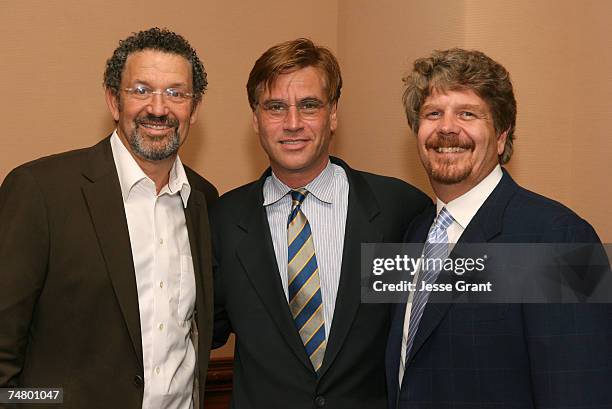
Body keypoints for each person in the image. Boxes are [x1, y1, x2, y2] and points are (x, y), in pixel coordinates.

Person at [0, 27, 217, 409]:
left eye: (176, 93)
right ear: (114, 101)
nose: (158, 107)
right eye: (141, 90)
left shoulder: (204, 200)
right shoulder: (41, 191)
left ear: (194, 109)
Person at [211, 38, 430, 409]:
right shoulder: (222, 220)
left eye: (309, 105)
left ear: (332, 114)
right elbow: (203, 330)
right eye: (276, 107)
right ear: (256, 119)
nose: (293, 123)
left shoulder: (399, 210)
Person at [386, 48, 612, 408]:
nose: (446, 127)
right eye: (433, 113)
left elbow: (580, 390)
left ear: (502, 134)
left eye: (467, 113)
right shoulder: (413, 233)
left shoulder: (561, 238)